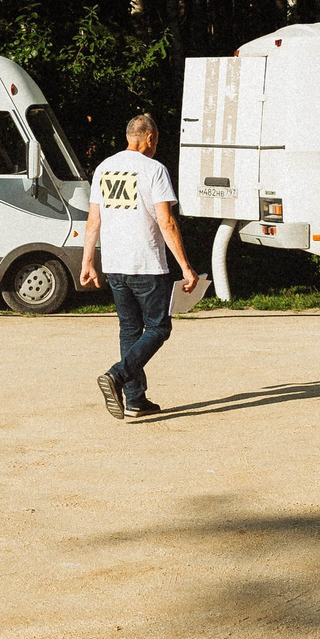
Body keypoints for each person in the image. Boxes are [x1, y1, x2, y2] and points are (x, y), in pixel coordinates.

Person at [78, 112, 199, 419]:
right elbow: (166, 221)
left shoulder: (104, 168)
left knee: (130, 329)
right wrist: (185, 266)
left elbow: (94, 219)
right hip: (146, 263)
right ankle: (118, 376)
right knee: (159, 327)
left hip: (115, 264)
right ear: (148, 138)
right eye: (155, 140)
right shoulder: (154, 169)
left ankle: (134, 399)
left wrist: (88, 261)